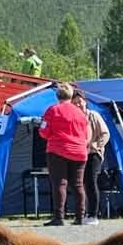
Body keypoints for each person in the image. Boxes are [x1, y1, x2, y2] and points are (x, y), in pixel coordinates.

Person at [39, 83, 89, 226]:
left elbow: (43, 131)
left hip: (58, 150)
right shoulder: (80, 113)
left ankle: (59, 217)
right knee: (78, 185)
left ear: (57, 96)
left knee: (60, 184)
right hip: (80, 152)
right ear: (71, 96)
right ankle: (80, 217)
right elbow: (85, 133)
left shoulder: (53, 110)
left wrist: (48, 135)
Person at [72, 90, 110, 225]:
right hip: (78, 154)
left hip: (93, 154)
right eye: (74, 103)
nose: (77, 105)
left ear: (85, 102)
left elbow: (105, 134)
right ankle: (83, 214)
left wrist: (96, 146)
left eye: (79, 102)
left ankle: (93, 215)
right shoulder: (72, 119)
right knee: (79, 185)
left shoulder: (94, 115)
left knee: (90, 182)